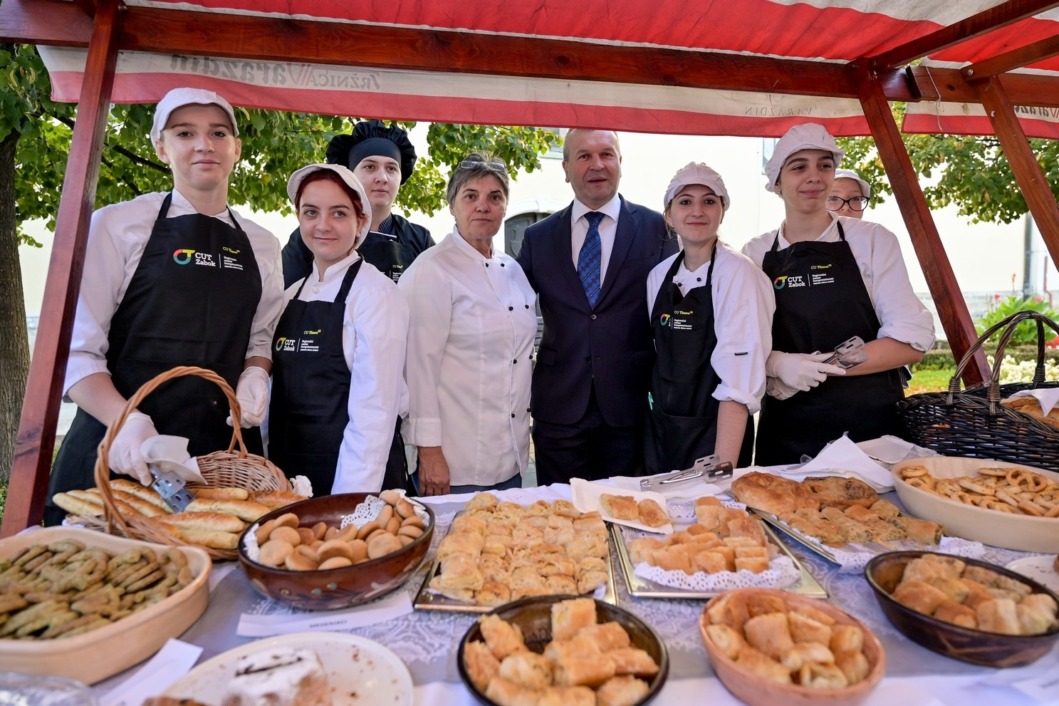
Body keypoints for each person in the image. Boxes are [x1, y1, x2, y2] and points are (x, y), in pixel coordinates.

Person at [46, 87, 284, 525]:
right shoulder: (118, 225)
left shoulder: (263, 244)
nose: (203, 145)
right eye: (184, 133)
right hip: (119, 453)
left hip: (216, 461)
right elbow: (76, 353)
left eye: (217, 133)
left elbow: (261, 335)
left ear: (236, 148)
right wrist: (126, 421)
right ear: (160, 146)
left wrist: (256, 372)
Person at [742, 123, 934, 466]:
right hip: (788, 430)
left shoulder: (873, 241)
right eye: (799, 166)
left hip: (869, 431)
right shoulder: (755, 253)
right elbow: (741, 343)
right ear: (777, 182)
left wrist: (824, 366)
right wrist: (777, 363)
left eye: (824, 165)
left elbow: (910, 341)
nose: (814, 176)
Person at [517, 129, 676, 484]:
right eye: (584, 156)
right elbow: (512, 316)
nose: (597, 165)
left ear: (620, 162)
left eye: (607, 154)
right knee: (559, 520)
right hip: (559, 410)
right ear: (566, 167)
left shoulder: (658, 229)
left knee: (626, 517)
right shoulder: (537, 237)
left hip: (630, 408)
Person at [399, 154, 537, 496]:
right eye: (470, 196)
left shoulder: (513, 270)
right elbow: (416, 371)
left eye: (495, 197)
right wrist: (429, 453)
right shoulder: (431, 270)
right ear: (452, 205)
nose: (483, 206)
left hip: (512, 456)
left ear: (505, 206)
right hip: (455, 461)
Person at [267, 164, 409, 494]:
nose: (323, 225)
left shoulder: (376, 295)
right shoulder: (291, 295)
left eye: (339, 213)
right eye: (311, 212)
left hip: (354, 482)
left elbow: (373, 416)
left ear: (361, 222)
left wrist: (347, 507)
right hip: (290, 479)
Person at [646, 163, 774, 471]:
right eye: (685, 201)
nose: (697, 211)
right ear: (669, 215)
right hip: (663, 430)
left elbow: (739, 380)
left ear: (722, 211)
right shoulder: (659, 275)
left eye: (709, 201)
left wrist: (722, 468)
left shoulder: (738, 273)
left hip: (716, 433)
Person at [281, 120, 434, 286]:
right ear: (349, 175)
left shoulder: (419, 239)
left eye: (391, 168)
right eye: (369, 167)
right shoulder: (318, 233)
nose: (382, 178)